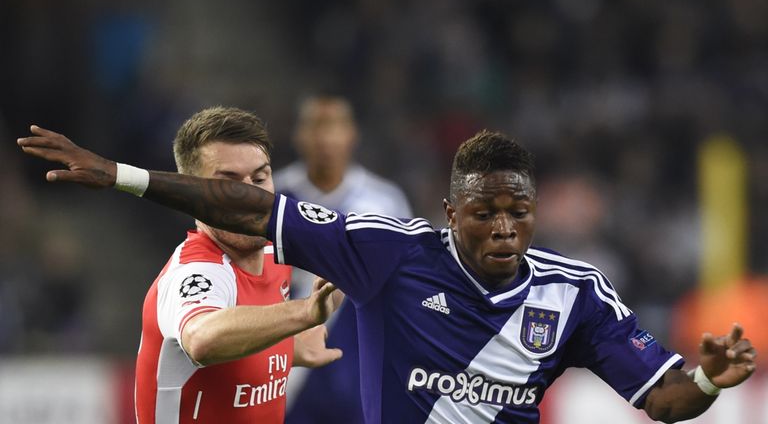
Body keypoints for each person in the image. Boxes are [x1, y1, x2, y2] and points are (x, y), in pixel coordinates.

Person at [19, 127, 758, 424]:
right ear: (449, 211)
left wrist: (703, 382)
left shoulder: (576, 294)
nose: (503, 228)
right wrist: (124, 176)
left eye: (518, 212)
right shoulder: (389, 251)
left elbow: (659, 401)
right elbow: (248, 206)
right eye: (484, 212)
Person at [120, 107, 344, 423]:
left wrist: (286, 347)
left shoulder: (274, 250)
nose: (249, 194)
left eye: (260, 177)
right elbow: (202, 339)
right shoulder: (196, 271)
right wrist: (304, 313)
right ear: (192, 194)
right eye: (228, 182)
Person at [274, 94, 413, 424]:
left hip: (359, 359)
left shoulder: (385, 202)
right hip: (287, 362)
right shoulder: (274, 196)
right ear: (299, 135)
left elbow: (405, 285)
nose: (324, 138)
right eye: (315, 127)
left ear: (352, 134)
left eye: (334, 127)